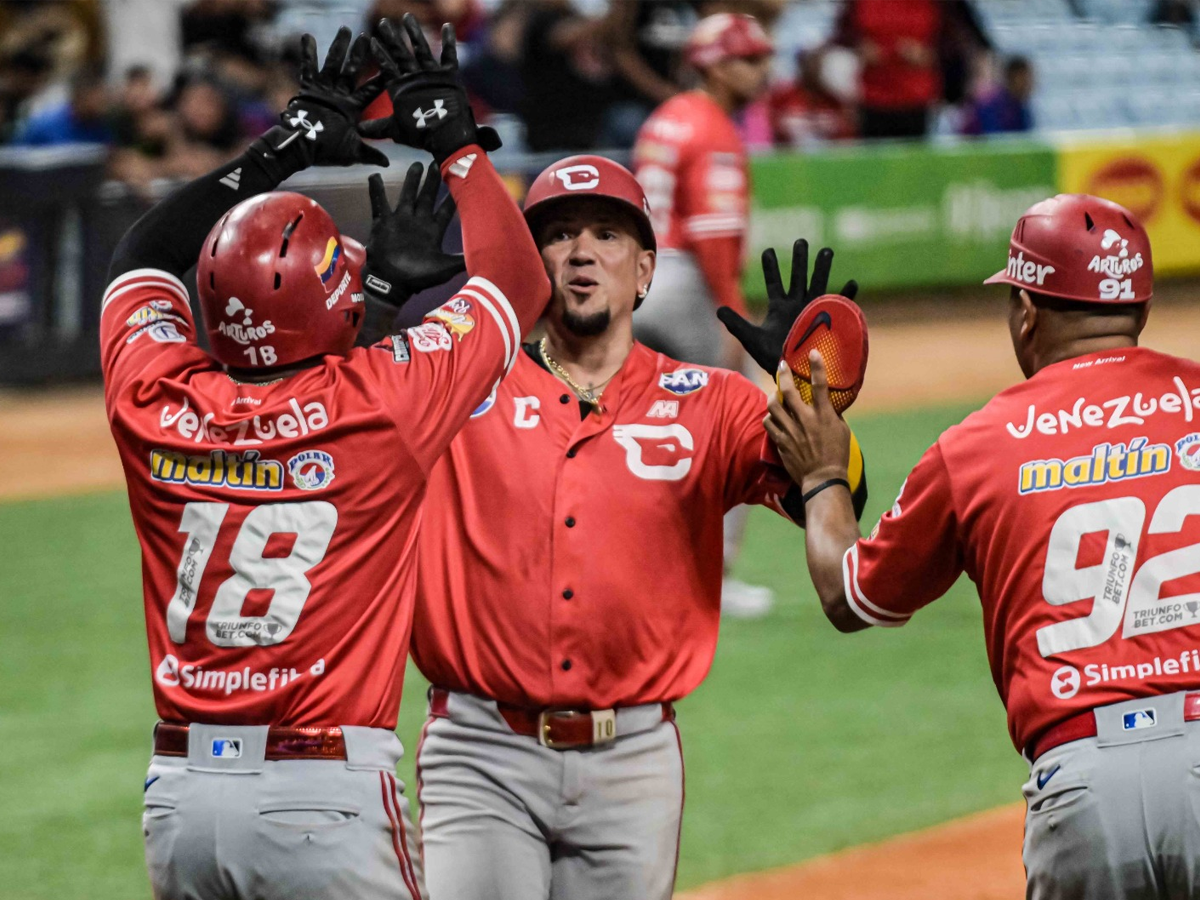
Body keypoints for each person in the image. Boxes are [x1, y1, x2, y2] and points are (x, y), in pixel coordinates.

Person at [101, 21, 548, 900]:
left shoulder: (154, 399)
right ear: (337, 302)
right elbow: (516, 285)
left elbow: (141, 253)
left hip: (181, 799)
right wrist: (457, 144)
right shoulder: (383, 402)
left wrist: (286, 145)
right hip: (323, 794)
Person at [402, 157, 866, 900]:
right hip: (479, 751)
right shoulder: (461, 385)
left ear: (645, 271)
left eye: (607, 235)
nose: (582, 252)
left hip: (634, 759)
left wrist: (808, 403)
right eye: (559, 235)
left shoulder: (712, 403)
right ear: (529, 264)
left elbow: (838, 492)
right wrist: (379, 305)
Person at [750, 194, 1200, 899]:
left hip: (1086, 790)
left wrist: (823, 474)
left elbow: (849, 593)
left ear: (1026, 311)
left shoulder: (978, 446)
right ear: (1140, 307)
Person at [632, 12, 776, 616]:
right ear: (715, 66)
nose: (763, 69)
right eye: (749, 59)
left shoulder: (666, 116)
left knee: (643, 423)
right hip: (687, 283)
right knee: (741, 416)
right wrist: (733, 316)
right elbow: (714, 237)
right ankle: (712, 577)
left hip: (638, 279)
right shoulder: (714, 130)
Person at [961, 54, 1034, 136]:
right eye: (1024, 78)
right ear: (1011, 78)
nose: (1028, 83)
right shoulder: (991, 108)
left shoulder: (1022, 109)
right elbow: (992, 139)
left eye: (1030, 78)